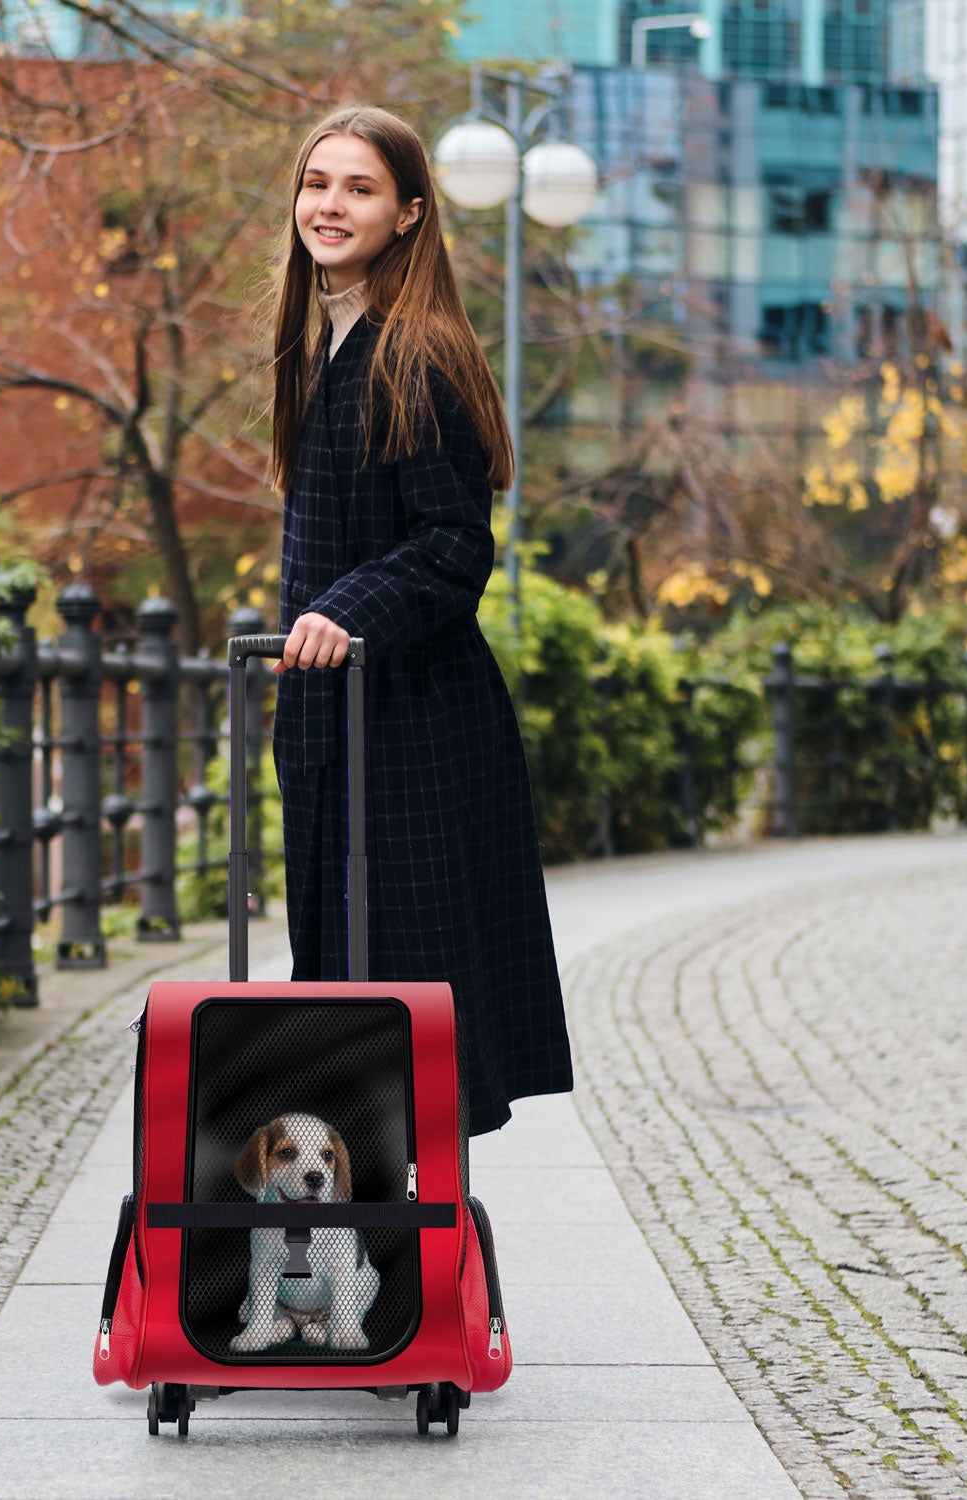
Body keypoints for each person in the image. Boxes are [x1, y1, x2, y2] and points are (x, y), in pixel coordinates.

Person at [268, 104, 573, 1134]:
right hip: (340, 717)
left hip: (408, 723)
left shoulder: (417, 354)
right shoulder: (326, 346)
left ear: (408, 214)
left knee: (398, 1000)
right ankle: (355, 1233)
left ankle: (396, 1251)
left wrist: (341, 613)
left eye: (358, 188)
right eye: (317, 184)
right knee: (348, 994)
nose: (329, 206)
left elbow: (455, 545)